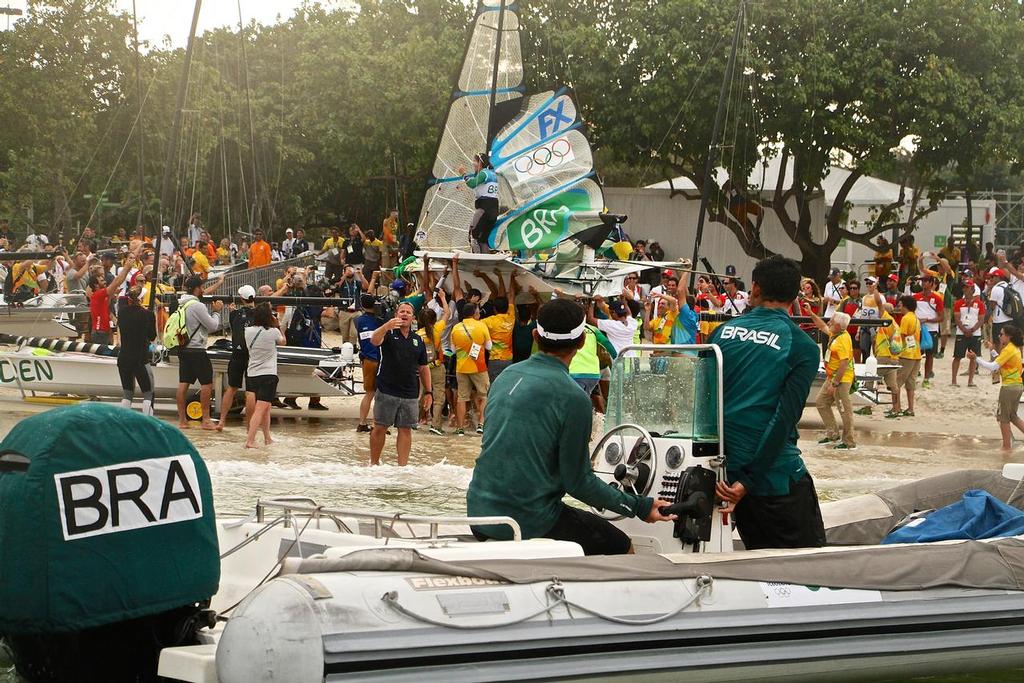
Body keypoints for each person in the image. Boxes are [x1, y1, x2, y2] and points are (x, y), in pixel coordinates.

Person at [466, 298, 674, 554]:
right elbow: (579, 483)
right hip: (529, 520)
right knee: (623, 546)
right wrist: (640, 507)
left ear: (535, 335)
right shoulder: (574, 398)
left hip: (477, 512)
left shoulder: (505, 376)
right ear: (582, 341)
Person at [710, 254, 827, 550]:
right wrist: (748, 481)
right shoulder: (802, 346)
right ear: (795, 296)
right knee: (809, 572)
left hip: (724, 478)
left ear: (756, 289)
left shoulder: (721, 332)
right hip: (772, 481)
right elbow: (783, 420)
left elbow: (704, 402)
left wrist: (736, 481)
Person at [369, 301, 432, 466]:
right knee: (380, 427)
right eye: (401, 311)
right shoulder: (388, 333)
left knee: (405, 429)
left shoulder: (417, 339)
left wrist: (429, 392)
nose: (404, 314)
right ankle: (373, 463)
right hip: (386, 389)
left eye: (408, 312)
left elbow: (424, 367)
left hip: (410, 393)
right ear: (396, 315)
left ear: (413, 318)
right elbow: (374, 340)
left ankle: (402, 466)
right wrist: (386, 326)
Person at [174, 275, 224, 429]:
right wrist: (216, 312)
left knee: (183, 383)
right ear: (196, 288)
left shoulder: (181, 303)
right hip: (196, 348)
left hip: (183, 347)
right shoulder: (197, 306)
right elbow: (213, 326)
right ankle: (206, 419)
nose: (203, 290)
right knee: (207, 383)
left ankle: (182, 420)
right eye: (202, 287)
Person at [969, 325, 1024, 450]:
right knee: (1013, 416)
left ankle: (1006, 448)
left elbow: (993, 366)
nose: (999, 336)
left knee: (1003, 418)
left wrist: (976, 358)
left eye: (1001, 334)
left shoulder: (1009, 349)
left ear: (1008, 337)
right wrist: (992, 349)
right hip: (1017, 386)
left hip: (1009, 387)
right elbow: (1002, 361)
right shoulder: (1014, 348)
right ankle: (1007, 446)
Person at [810, 311, 857, 450]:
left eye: (831, 321)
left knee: (844, 410)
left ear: (837, 325)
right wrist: (811, 313)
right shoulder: (836, 333)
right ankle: (833, 434)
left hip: (841, 379)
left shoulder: (842, 340)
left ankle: (849, 441)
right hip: (832, 376)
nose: (829, 322)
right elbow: (822, 326)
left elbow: (844, 363)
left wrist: (835, 384)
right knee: (821, 402)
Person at [244, 303, 286, 448]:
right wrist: (278, 325)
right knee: (261, 409)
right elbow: (283, 342)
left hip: (252, 374)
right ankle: (250, 440)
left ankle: (267, 437)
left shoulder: (247, 331)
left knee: (266, 407)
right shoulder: (273, 332)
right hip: (268, 374)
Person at [217, 285, 258, 431]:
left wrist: (232, 311)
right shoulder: (260, 314)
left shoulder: (235, 314)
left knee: (231, 388)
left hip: (237, 354)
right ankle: (249, 426)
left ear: (242, 299)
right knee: (251, 391)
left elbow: (234, 327)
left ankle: (221, 421)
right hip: (253, 355)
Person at [451, 302, 492, 435]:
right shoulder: (481, 325)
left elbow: (452, 350)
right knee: (484, 395)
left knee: (462, 397)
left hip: (461, 367)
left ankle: (460, 427)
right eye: (478, 312)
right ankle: (481, 424)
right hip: (479, 366)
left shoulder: (456, 328)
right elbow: (489, 347)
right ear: (475, 313)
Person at [116, 284, 156, 416]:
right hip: (140, 358)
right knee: (148, 393)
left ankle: (123, 422)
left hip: (123, 357)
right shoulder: (148, 314)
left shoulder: (121, 312)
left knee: (127, 393)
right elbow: (152, 336)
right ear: (141, 298)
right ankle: (148, 422)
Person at [354, 294, 383, 433]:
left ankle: (362, 423)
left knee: (369, 393)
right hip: (379, 360)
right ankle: (377, 424)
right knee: (380, 395)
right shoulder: (380, 320)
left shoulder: (358, 320)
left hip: (366, 360)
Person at [88, 256, 133, 345]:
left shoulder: (101, 296)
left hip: (104, 331)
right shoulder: (98, 294)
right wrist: (127, 268)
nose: (104, 282)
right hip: (99, 333)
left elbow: (106, 310)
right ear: (96, 285)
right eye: (101, 281)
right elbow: (116, 282)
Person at [459, 153, 499, 252]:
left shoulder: (484, 173)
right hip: (493, 210)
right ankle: (485, 261)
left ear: (480, 162)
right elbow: (481, 188)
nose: (473, 163)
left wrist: (463, 174)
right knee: (482, 239)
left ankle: (477, 261)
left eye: (475, 161)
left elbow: (472, 184)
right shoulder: (493, 174)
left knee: (473, 236)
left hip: (484, 209)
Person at [417, 305, 447, 435]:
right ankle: (436, 425)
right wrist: (443, 298)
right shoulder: (437, 330)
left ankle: (415, 421)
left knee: (420, 394)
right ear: (434, 320)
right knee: (439, 396)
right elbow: (447, 313)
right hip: (437, 367)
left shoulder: (417, 335)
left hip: (423, 368)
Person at [891, 295, 922, 418]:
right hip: (916, 353)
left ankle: (896, 407)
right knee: (911, 383)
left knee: (896, 382)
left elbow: (901, 336)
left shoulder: (905, 318)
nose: (899, 308)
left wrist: (894, 349)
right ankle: (910, 408)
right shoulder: (916, 318)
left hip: (906, 354)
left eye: (900, 305)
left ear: (905, 305)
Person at [952, 281, 984, 387]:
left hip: (975, 333)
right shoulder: (958, 303)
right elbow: (956, 318)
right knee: (957, 356)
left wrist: (972, 330)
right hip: (961, 332)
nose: (965, 289)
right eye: (964, 287)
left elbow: (981, 320)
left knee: (973, 358)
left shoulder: (979, 304)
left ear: (972, 289)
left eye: (967, 287)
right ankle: (954, 381)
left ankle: (970, 381)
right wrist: (965, 330)